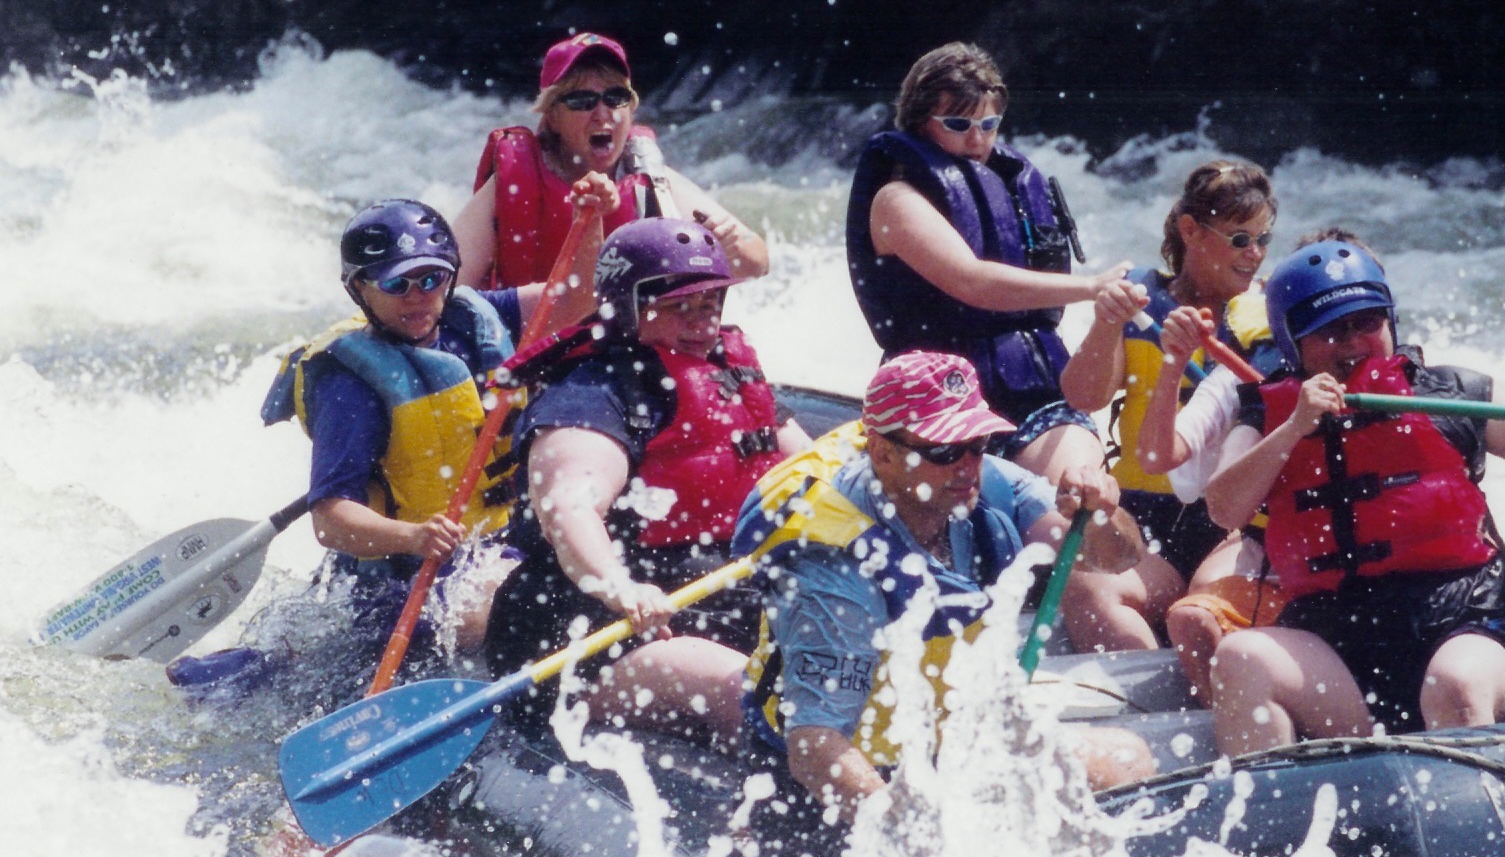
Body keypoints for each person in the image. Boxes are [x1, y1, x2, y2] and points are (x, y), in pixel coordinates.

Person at [1198, 238, 1505, 755]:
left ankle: (1477, 820)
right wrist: (1295, 427)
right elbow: (1224, 506)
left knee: (1453, 684)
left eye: (1367, 322)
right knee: (1240, 656)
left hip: (1468, 623)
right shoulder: (1269, 417)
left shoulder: (1448, 393)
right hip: (1339, 640)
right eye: (1332, 330)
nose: (1354, 341)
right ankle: (1266, 827)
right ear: (1294, 345)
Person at [737, 351, 1154, 819]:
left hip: (950, 745)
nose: (966, 465)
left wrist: (1099, 518)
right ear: (882, 452)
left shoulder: (990, 488)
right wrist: (928, 843)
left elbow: (1118, 558)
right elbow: (815, 749)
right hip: (841, 785)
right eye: (943, 451)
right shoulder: (834, 567)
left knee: (1126, 758)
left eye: (976, 444)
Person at [481, 216, 808, 743]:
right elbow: (569, 507)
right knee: (750, 692)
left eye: (709, 305)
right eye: (680, 307)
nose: (701, 322)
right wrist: (620, 587)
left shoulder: (728, 371)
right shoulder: (594, 393)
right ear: (629, 309)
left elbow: (813, 471)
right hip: (598, 633)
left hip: (717, 598)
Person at [255, 198, 564, 662]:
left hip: (495, 546)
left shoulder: (467, 319)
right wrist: (414, 537)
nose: (418, 296)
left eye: (432, 278)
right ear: (360, 288)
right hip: (400, 582)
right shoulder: (351, 388)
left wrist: (594, 215)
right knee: (521, 610)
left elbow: (575, 300)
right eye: (397, 284)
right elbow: (331, 520)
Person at [845, 42, 1123, 490]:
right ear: (919, 123)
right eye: (958, 124)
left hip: (1032, 392)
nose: (977, 140)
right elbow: (972, 282)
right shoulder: (895, 201)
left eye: (988, 124)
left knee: (1082, 498)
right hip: (934, 402)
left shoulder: (1011, 186)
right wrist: (1091, 286)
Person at [1055, 159, 1284, 652]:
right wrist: (1105, 324)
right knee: (1088, 587)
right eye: (1240, 239)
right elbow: (1083, 396)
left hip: (1232, 527)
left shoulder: (1271, 319)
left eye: (1264, 239)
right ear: (1190, 231)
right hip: (1144, 517)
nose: (1256, 254)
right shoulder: (1138, 302)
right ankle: (1142, 707)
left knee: (1206, 600)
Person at [451, 31, 769, 290]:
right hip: (532, 346)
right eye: (581, 101)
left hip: (623, 349)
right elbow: (446, 285)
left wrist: (732, 248)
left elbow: (758, 262)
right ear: (552, 117)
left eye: (616, 98)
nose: (603, 114)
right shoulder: (516, 181)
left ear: (630, 110)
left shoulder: (652, 181)